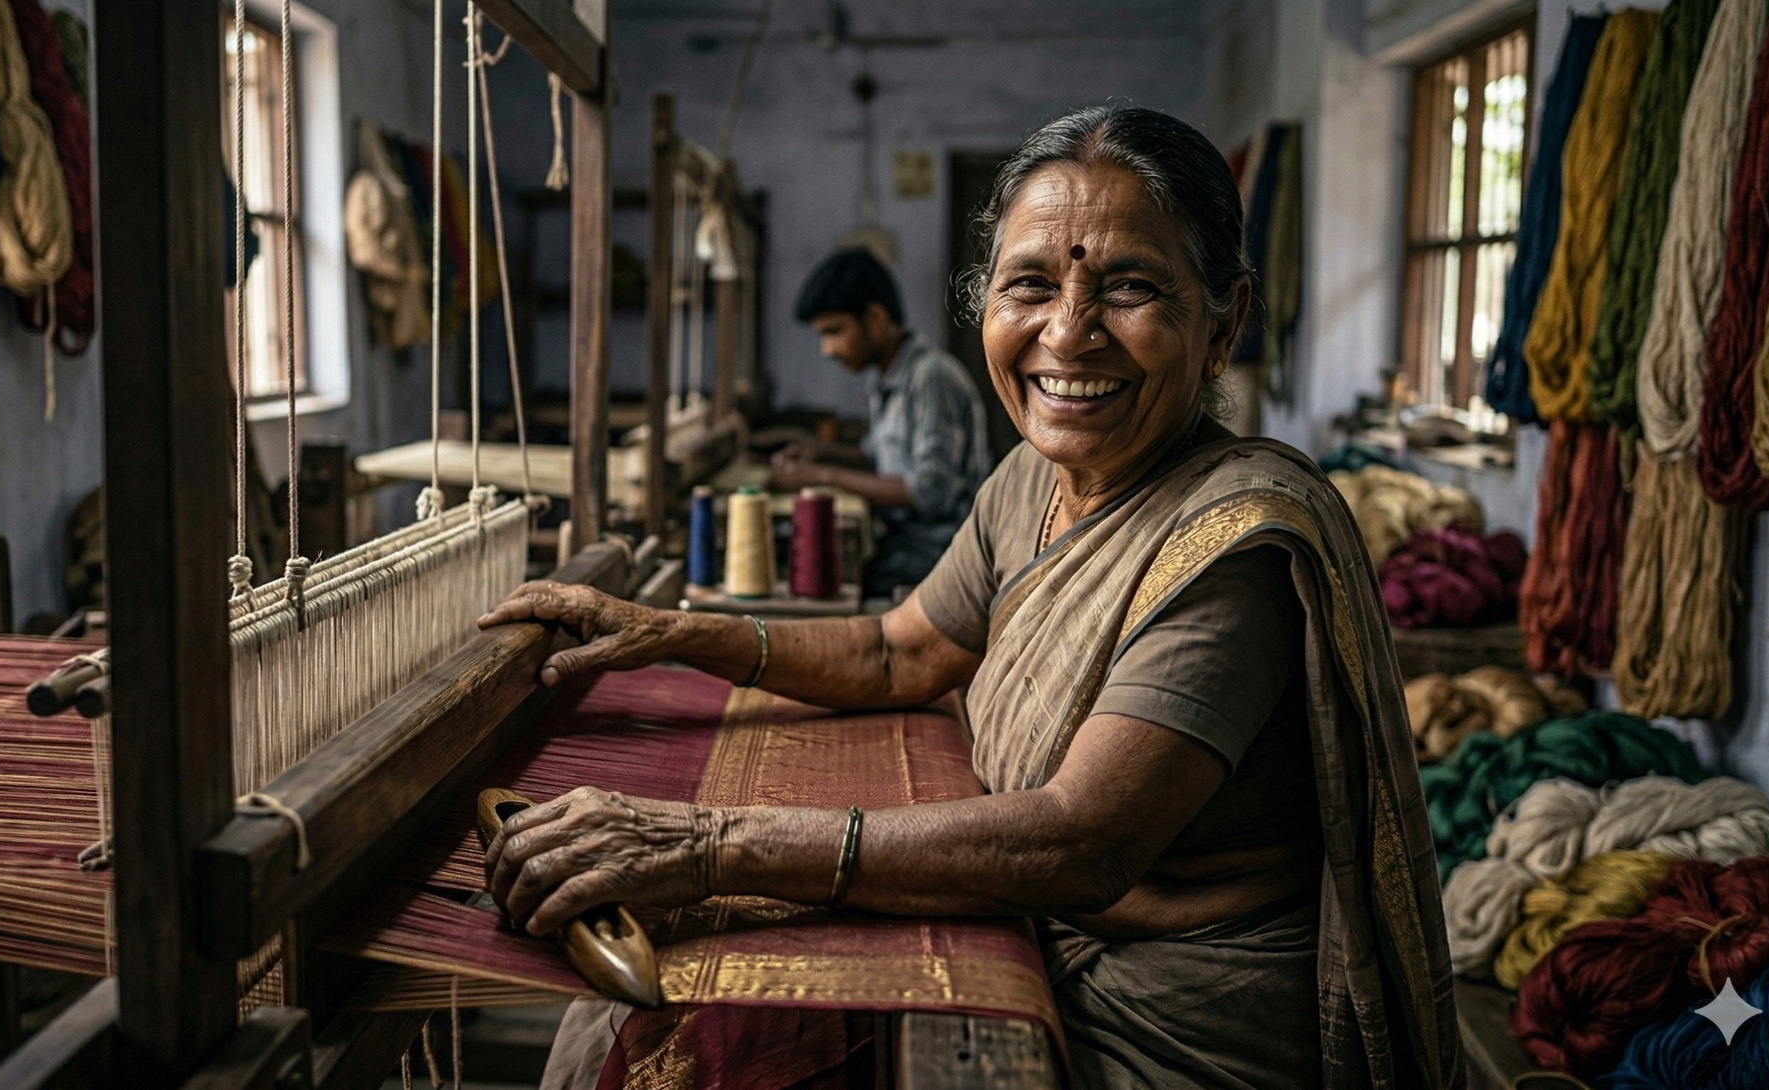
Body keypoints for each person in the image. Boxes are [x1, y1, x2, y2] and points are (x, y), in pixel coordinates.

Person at [480, 107, 1461, 1090]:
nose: (1066, 334)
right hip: (1031, 938)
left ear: (1222, 323)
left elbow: (1081, 841)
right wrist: (663, 633)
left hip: (1162, 1026)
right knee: (664, 994)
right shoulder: (1028, 479)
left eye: (1127, 287)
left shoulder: (1229, 547)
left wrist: (707, 842)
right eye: (1028, 285)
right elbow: (899, 654)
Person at [775, 248, 991, 596]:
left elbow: (930, 492)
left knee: (821, 582)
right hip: (903, 541)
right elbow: (879, 457)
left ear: (875, 318)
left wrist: (821, 476)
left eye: (834, 331)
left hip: (940, 555)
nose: (826, 349)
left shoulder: (930, 378)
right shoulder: (884, 376)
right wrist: (820, 453)